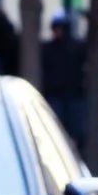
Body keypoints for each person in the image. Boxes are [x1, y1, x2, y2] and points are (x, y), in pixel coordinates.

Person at [40, 11, 88, 148]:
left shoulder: (78, 47)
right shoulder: (48, 49)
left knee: (77, 131)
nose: (58, 32)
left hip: (74, 95)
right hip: (55, 95)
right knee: (56, 131)